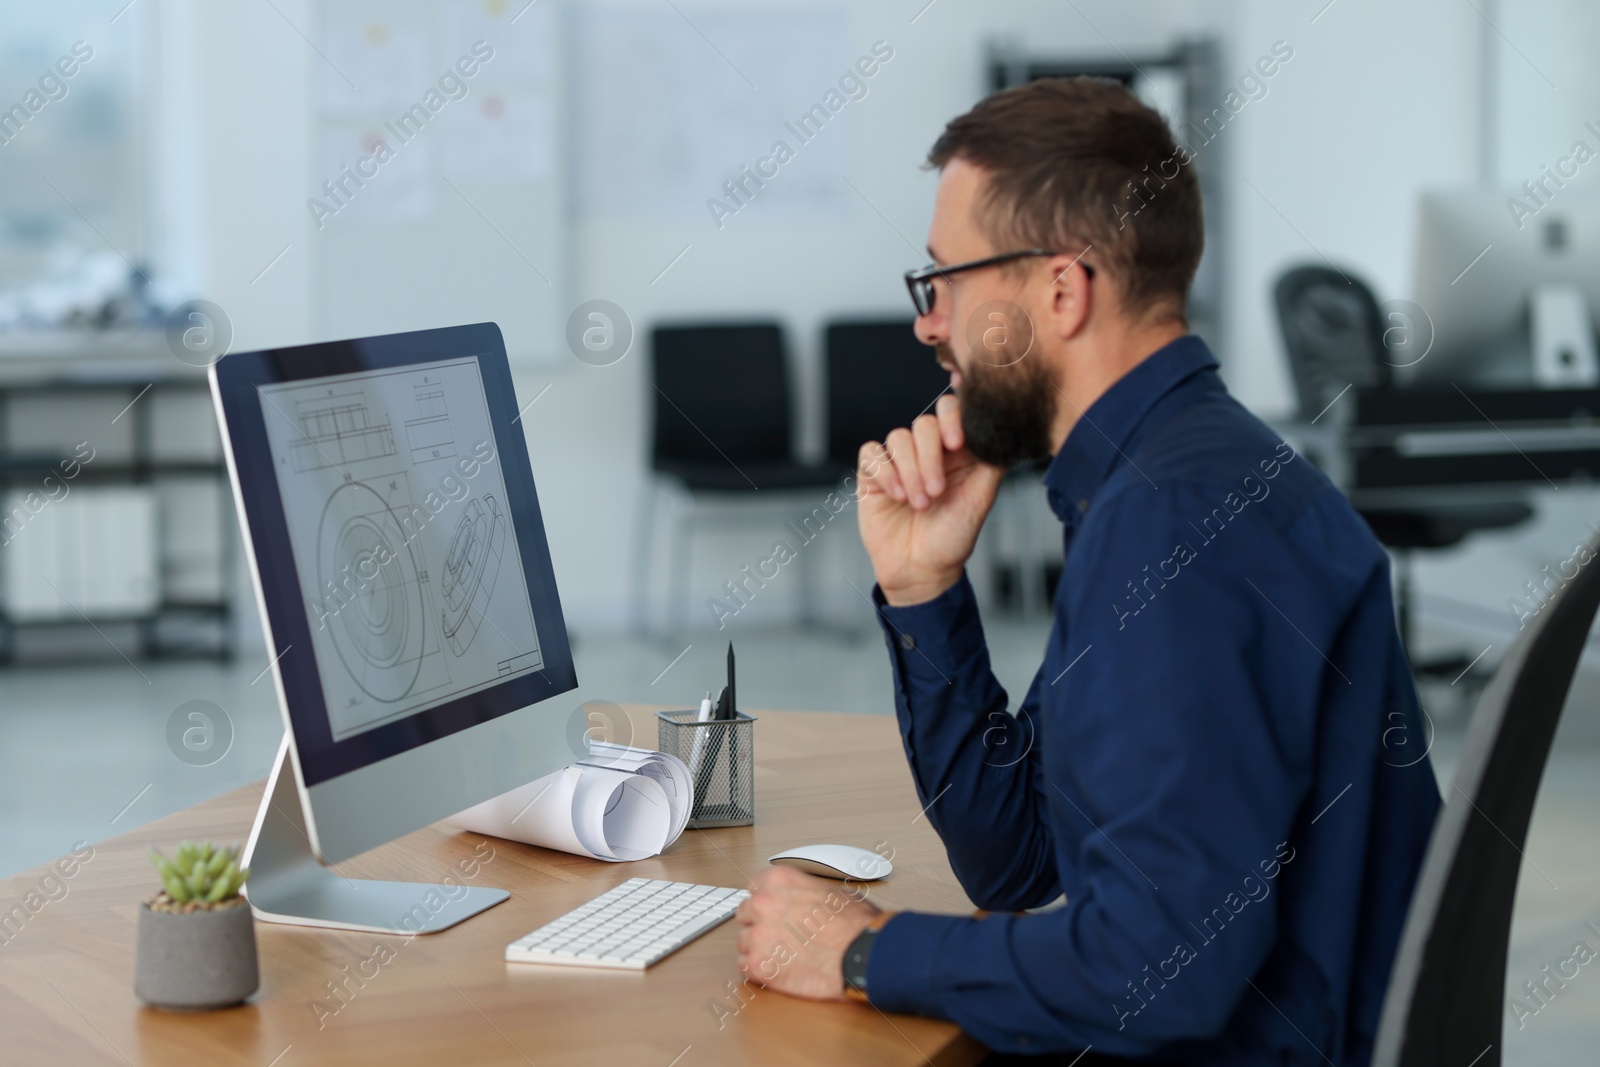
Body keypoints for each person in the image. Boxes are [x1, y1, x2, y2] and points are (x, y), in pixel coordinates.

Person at [734, 77, 1441, 1065]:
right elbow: (1019, 857)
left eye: (943, 280)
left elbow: (1162, 965)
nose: (926, 324)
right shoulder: (1179, 476)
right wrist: (922, 587)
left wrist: (869, 950)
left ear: (1060, 292)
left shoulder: (1173, 527)